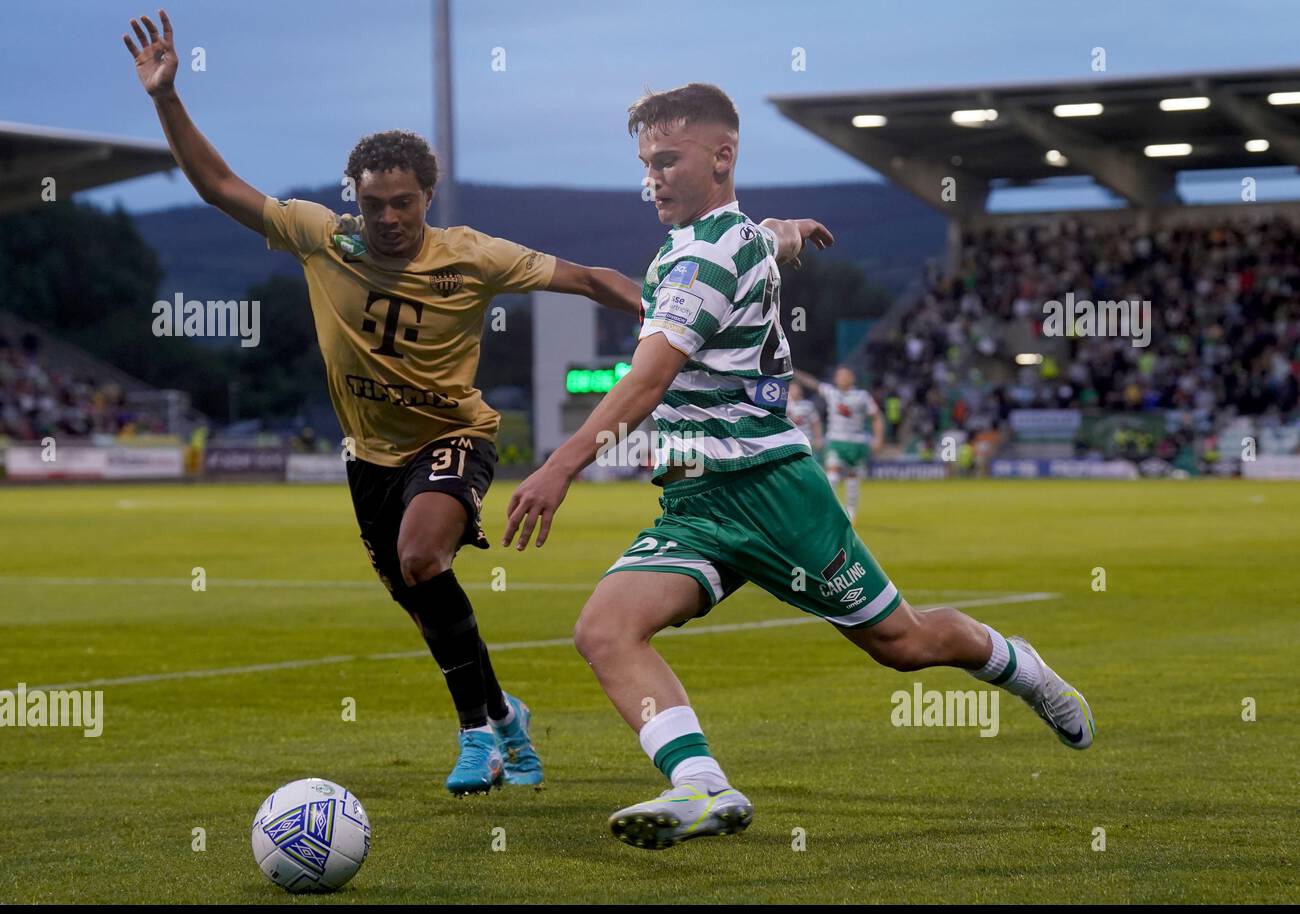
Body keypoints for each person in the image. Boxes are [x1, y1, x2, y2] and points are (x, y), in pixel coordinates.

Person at [503, 82, 1094, 850]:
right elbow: (766, 237)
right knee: (605, 629)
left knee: (904, 645)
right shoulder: (699, 245)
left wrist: (561, 466)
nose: (653, 178)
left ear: (723, 156)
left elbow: (646, 380)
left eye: (668, 160)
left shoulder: (712, 253)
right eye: (646, 163)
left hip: (772, 494)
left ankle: (1025, 668)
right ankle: (701, 786)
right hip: (698, 506)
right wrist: (789, 229)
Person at [124, 10, 643, 796]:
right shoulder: (320, 236)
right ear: (355, 199)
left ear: (427, 195)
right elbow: (218, 185)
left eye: (405, 202)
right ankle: (505, 718)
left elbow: (590, 278)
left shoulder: (472, 255)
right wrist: (167, 99)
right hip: (370, 457)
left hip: (454, 436)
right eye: (376, 204)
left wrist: (665, 313)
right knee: (425, 599)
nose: (391, 218)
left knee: (420, 556)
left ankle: (474, 733)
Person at [793, 366, 883, 524]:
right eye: (838, 376)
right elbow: (813, 383)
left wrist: (878, 439)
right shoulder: (831, 392)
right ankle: (829, 510)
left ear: (852, 378)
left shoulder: (862, 396)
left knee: (852, 479)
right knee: (832, 475)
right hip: (836, 440)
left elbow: (876, 416)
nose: (840, 378)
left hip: (856, 442)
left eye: (843, 375)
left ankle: (851, 513)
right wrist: (795, 372)